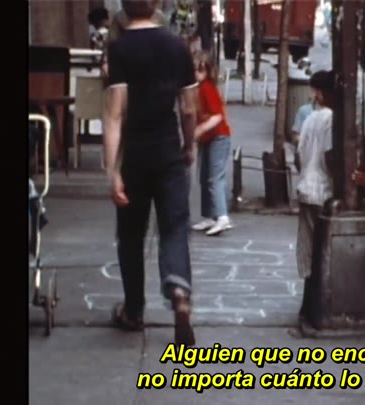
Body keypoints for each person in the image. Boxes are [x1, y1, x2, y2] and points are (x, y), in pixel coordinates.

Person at [102, 0, 199, 346]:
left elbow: (115, 114)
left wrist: (112, 170)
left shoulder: (119, 49)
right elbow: (188, 107)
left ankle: (133, 310)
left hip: (135, 155)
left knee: (131, 234)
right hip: (168, 151)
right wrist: (189, 145)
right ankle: (179, 292)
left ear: (124, 9)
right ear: (156, 5)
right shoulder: (177, 46)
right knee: (174, 226)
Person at [295, 70, 335, 321]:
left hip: (307, 186)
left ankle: (307, 306)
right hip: (323, 189)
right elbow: (330, 156)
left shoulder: (310, 118)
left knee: (309, 249)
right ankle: (319, 307)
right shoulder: (331, 119)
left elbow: (298, 154)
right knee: (322, 251)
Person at [190, 51, 234, 236]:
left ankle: (222, 216)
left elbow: (217, 116)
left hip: (218, 137)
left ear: (208, 70)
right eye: (194, 69)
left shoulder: (207, 88)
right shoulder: (199, 88)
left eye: (200, 69)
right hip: (208, 138)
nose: (196, 73)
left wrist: (200, 129)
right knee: (204, 177)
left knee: (214, 178)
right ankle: (209, 215)